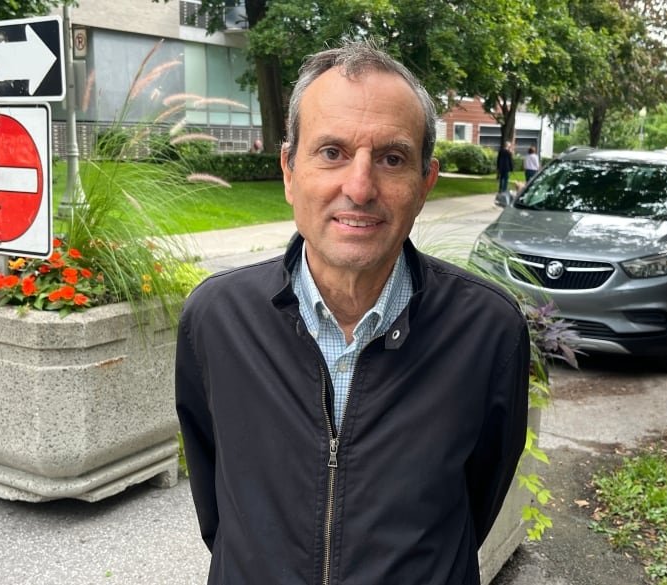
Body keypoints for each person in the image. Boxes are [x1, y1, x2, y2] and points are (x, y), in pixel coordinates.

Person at [175, 40, 530, 585]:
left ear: (424, 184)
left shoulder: (487, 332)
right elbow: (215, 497)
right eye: (332, 152)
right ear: (289, 171)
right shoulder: (217, 319)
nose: (359, 188)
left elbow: (478, 496)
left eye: (391, 159)